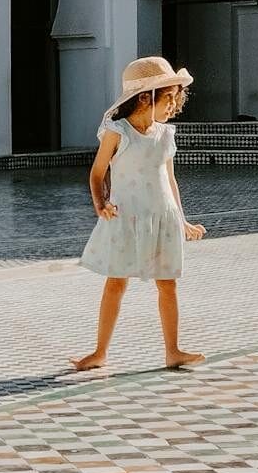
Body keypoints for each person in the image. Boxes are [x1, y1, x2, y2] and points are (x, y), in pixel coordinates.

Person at [71, 56, 207, 371]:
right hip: (127, 218)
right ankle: (99, 352)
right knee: (116, 283)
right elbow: (97, 172)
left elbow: (169, 180)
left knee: (167, 284)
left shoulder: (166, 134)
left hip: (163, 217)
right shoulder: (117, 131)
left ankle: (172, 350)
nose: (174, 105)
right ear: (146, 97)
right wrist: (100, 202)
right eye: (169, 98)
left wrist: (183, 220)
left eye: (177, 98)